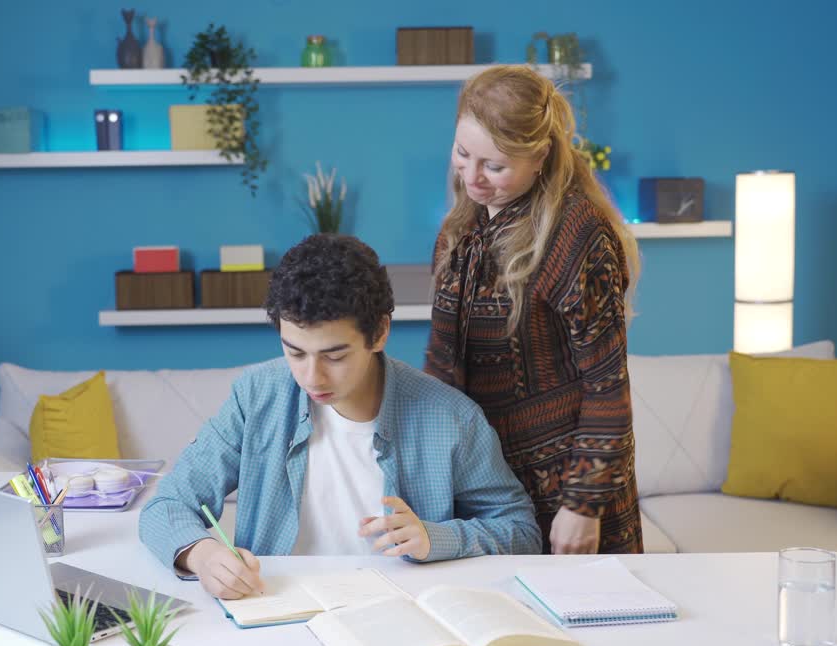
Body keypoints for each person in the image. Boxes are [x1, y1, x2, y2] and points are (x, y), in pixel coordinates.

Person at [139, 234, 541, 599]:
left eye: (334, 356)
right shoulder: (256, 396)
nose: (312, 377)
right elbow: (167, 505)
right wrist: (204, 555)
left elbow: (521, 531)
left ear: (379, 332)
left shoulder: (452, 417)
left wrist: (435, 538)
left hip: (400, 611)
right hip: (273, 609)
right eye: (295, 352)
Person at [424, 65, 644, 556]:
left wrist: (583, 506)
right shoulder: (458, 230)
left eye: (495, 166)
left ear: (540, 156)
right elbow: (440, 363)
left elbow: (607, 384)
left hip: (567, 489)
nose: (472, 178)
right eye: (463, 154)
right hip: (485, 484)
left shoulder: (577, 234)